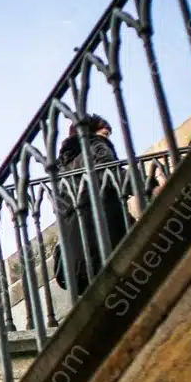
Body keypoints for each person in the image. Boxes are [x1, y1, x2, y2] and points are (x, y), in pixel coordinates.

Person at [53, 114, 130, 296]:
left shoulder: (62, 170)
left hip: (79, 257)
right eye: (106, 133)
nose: (108, 137)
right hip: (104, 238)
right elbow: (112, 174)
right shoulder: (96, 145)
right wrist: (149, 185)